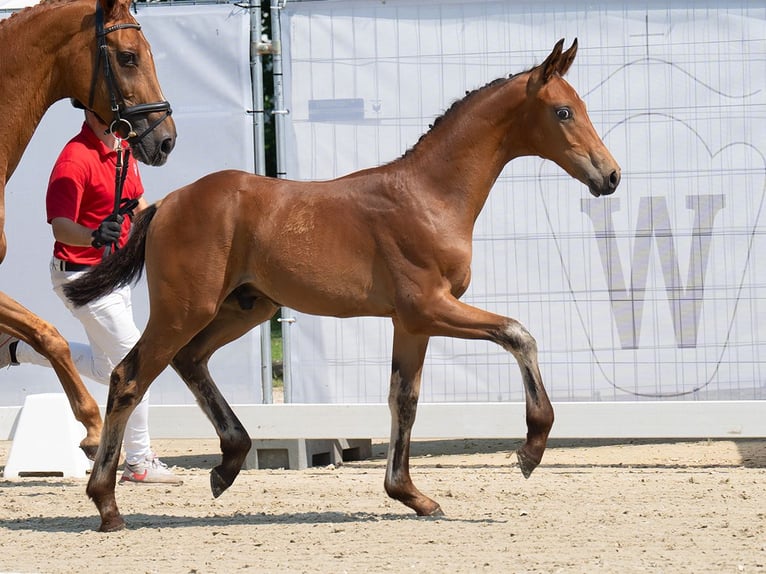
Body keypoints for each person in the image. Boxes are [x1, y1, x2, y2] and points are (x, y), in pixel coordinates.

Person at [0, 105, 181, 484]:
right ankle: (139, 461)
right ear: (90, 115)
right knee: (137, 362)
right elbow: (61, 228)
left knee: (106, 367)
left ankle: (16, 349)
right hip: (81, 276)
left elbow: (139, 205)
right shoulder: (73, 159)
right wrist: (95, 235)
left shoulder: (123, 149)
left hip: (114, 274)